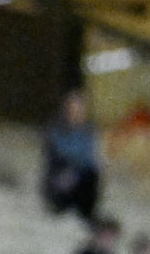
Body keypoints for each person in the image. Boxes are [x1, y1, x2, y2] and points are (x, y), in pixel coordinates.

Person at [44, 90, 103, 221]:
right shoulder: (56, 129)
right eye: (74, 108)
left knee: (91, 173)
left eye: (80, 108)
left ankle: (85, 212)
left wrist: (76, 171)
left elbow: (88, 158)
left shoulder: (88, 132)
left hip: (78, 175)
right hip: (59, 175)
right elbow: (58, 153)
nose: (77, 112)